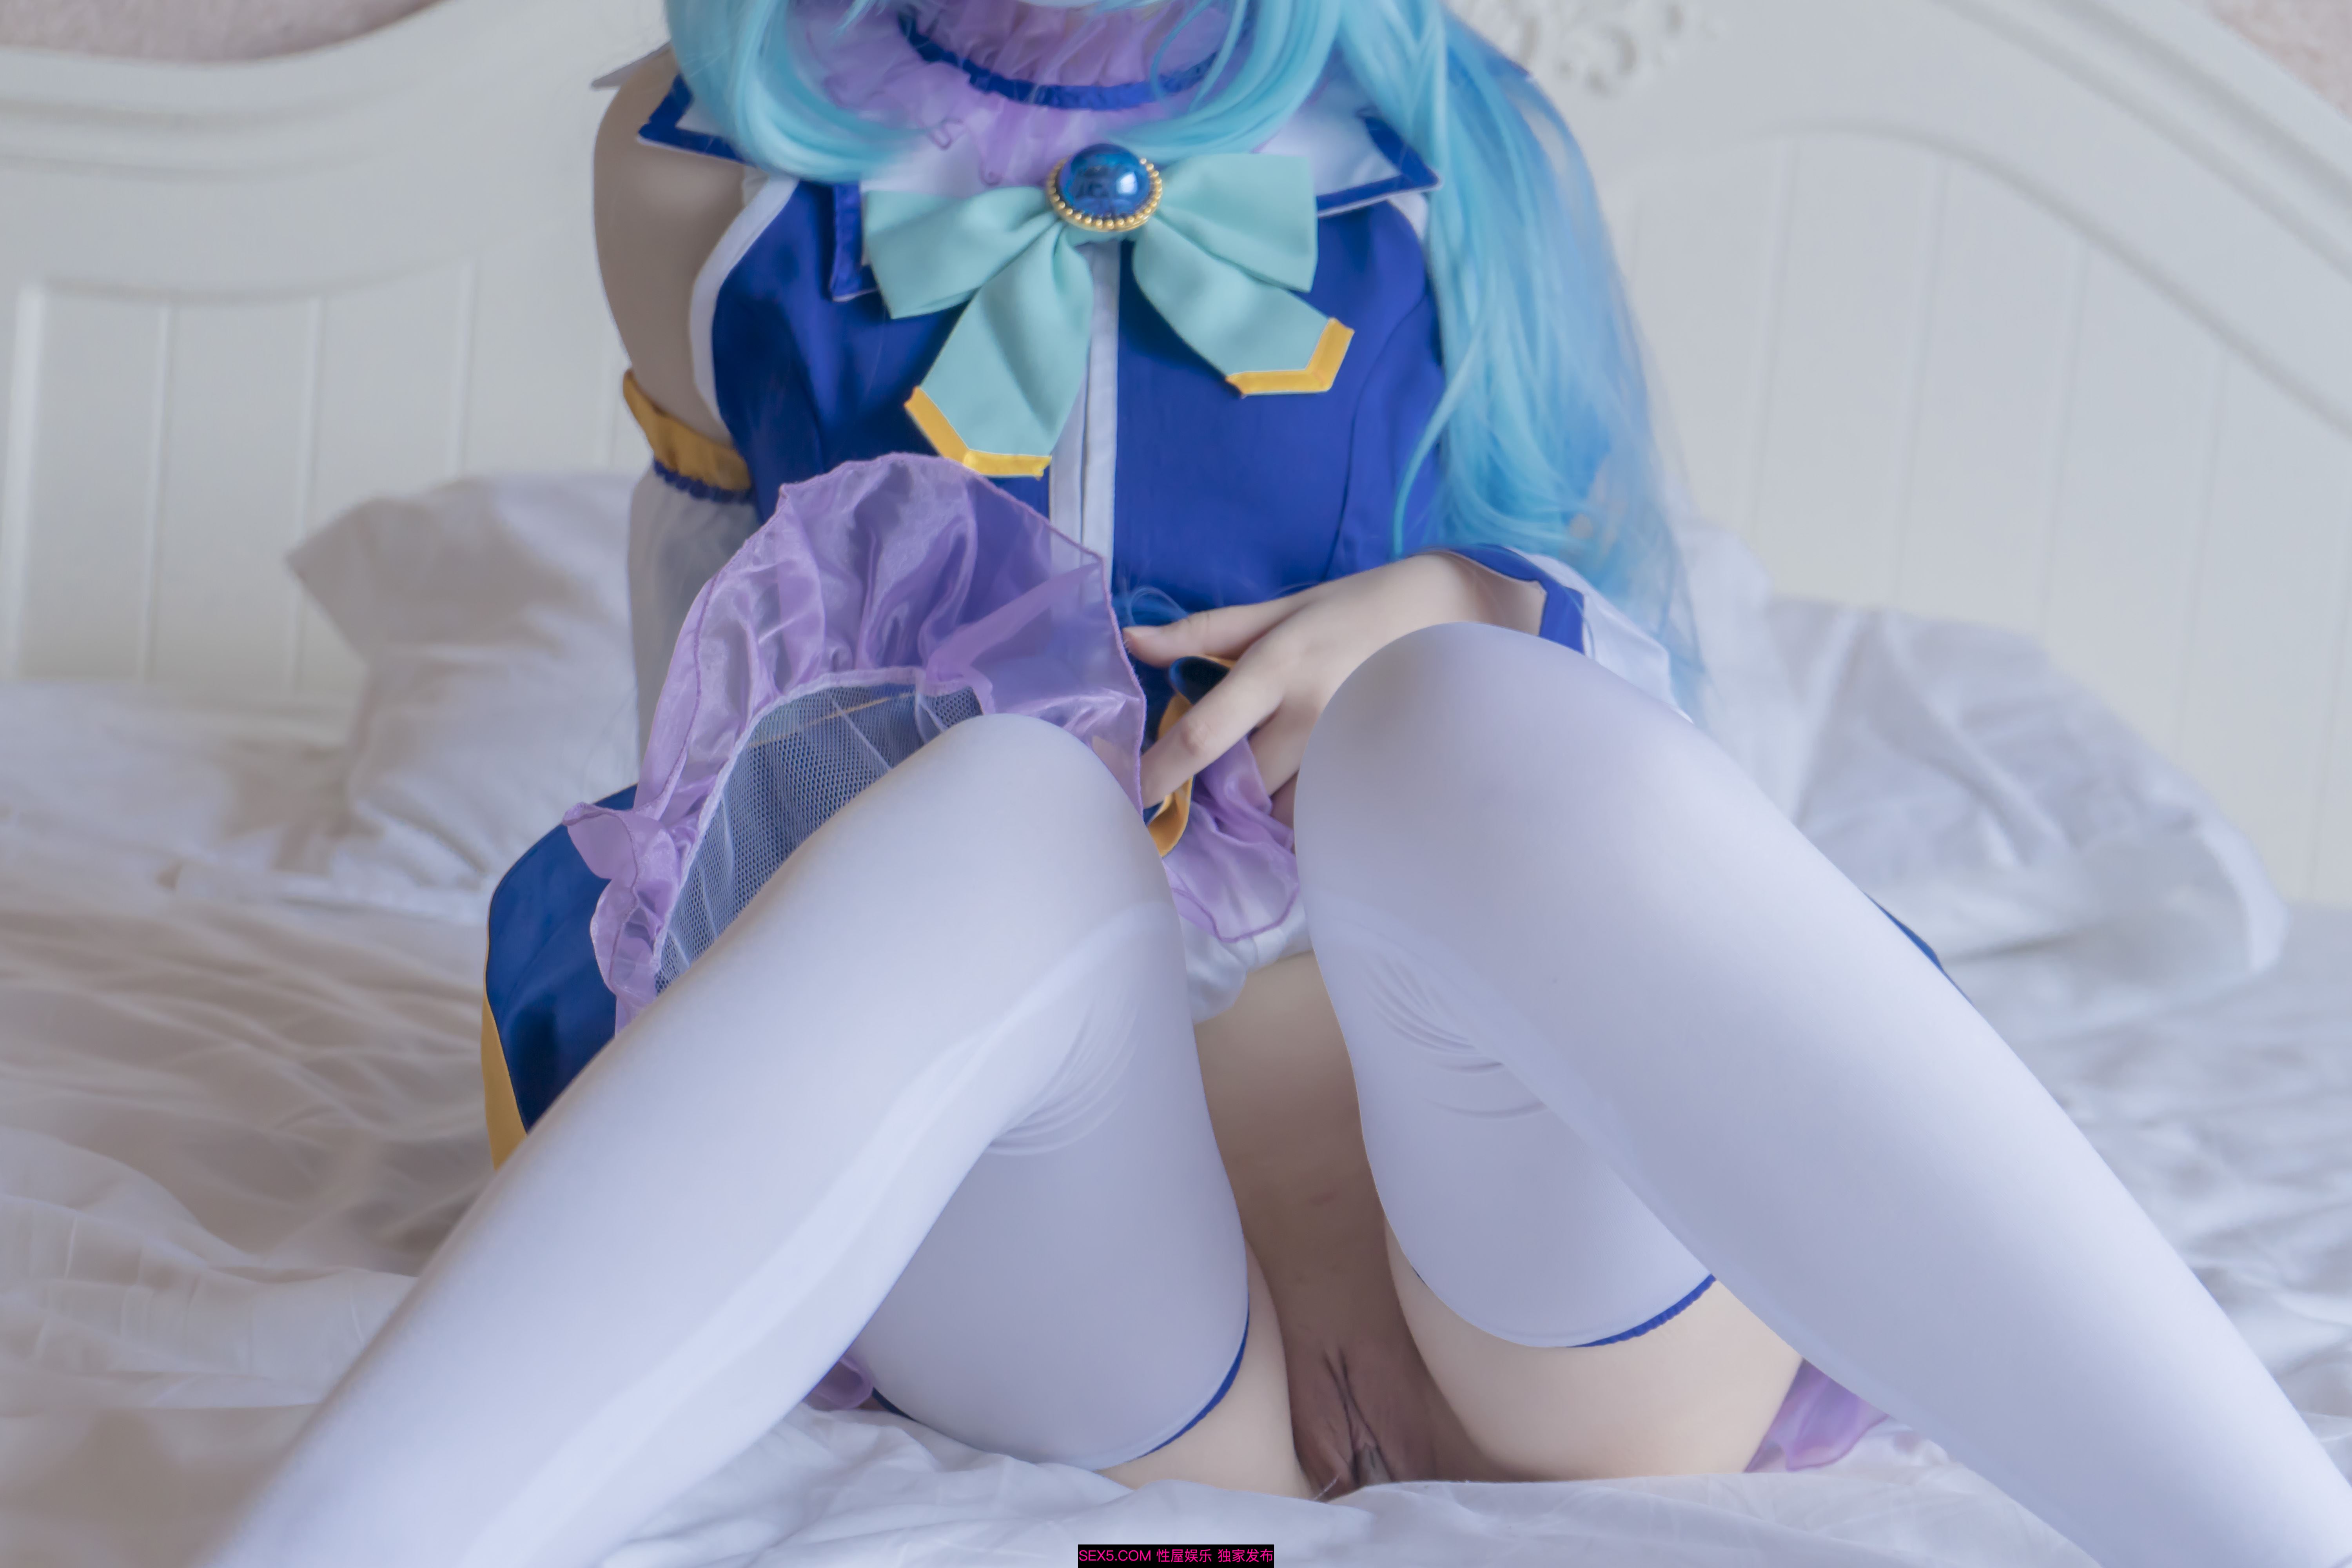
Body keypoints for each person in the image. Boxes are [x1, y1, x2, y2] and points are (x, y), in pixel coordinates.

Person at [195, 3, 2352, 1565]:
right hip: (1101, 1282)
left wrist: (1464, 607)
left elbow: (1644, 693)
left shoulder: (1455, 138)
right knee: (985, 812)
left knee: (1459, 719)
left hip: (1542, 1247)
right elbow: (707, 693)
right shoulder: (701, 156)